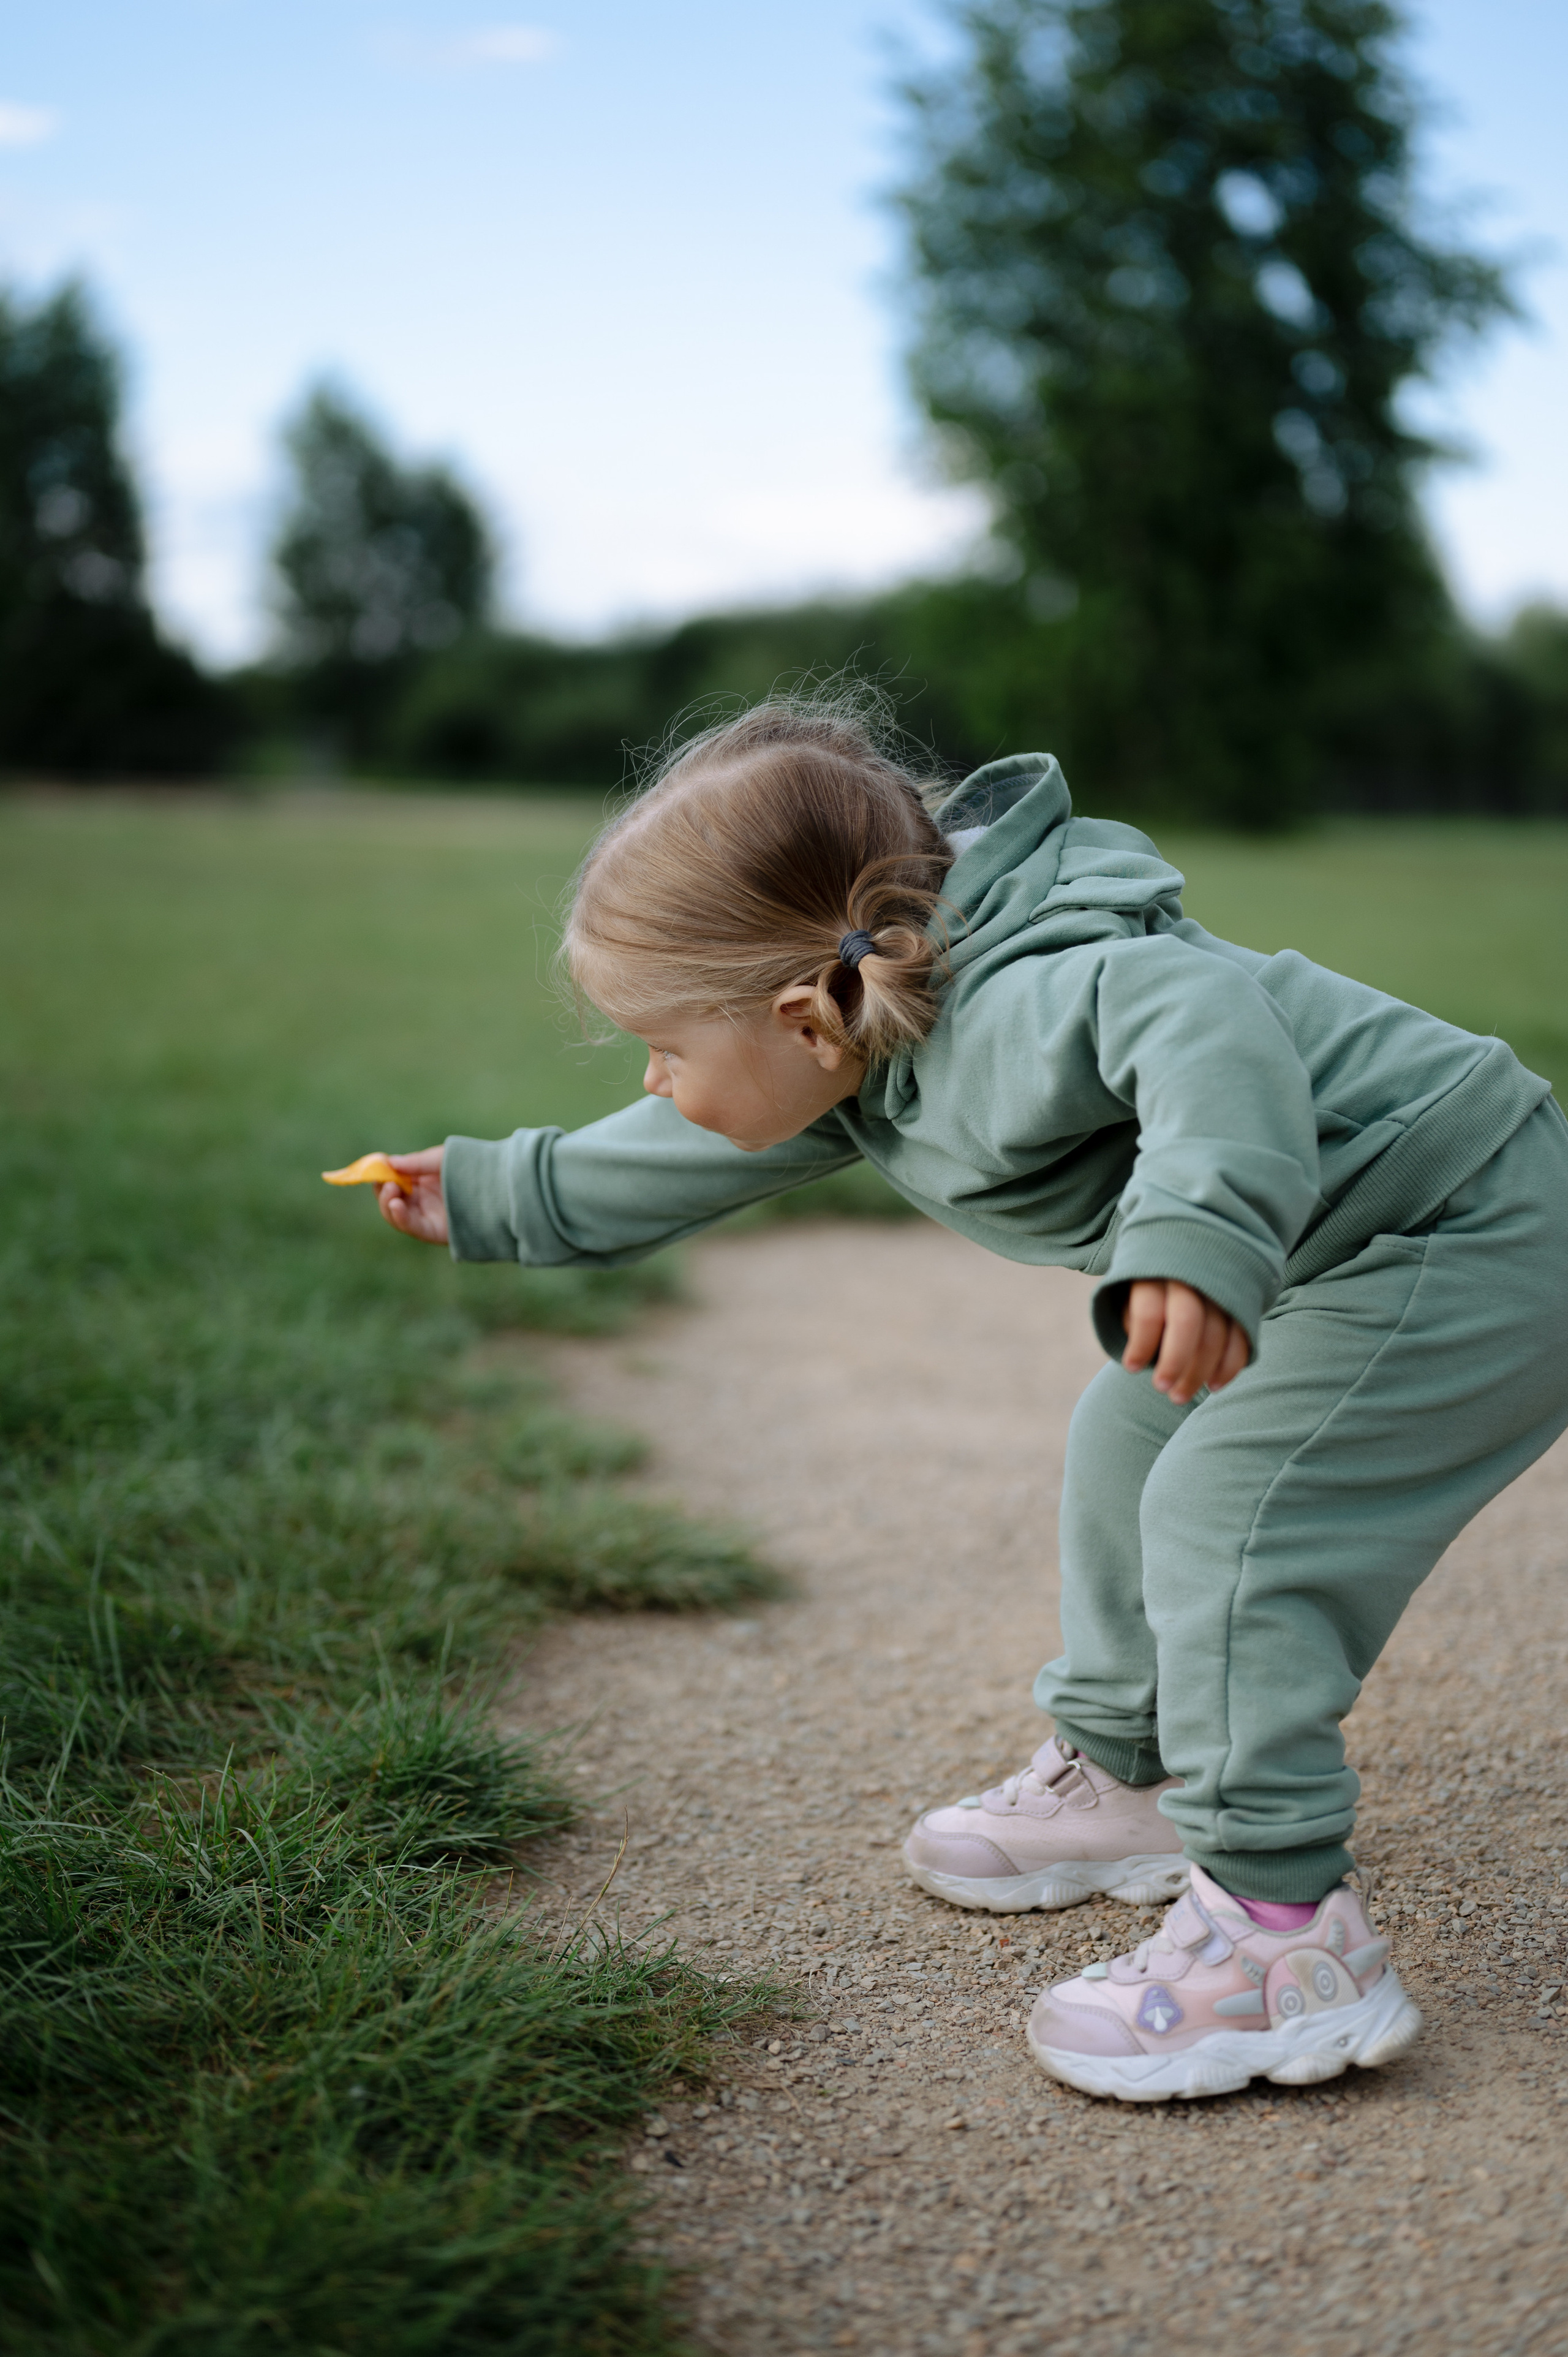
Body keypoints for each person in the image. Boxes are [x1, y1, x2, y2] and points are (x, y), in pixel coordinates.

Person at [369, 698, 1568, 2104]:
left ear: (794, 1016)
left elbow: (1205, 1020)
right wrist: (495, 1189)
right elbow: (684, 1145)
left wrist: (1194, 1234)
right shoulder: (861, 1035)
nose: (653, 1077)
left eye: (662, 1045)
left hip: (1468, 1223)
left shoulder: (1022, 995)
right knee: (1128, 1437)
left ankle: (1283, 1936)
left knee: (1228, 1507)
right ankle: (1132, 1775)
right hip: (1358, 1238)